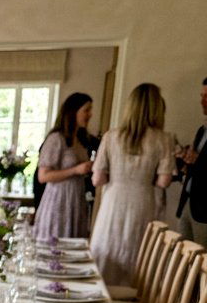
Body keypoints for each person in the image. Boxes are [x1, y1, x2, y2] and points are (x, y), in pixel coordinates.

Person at [89, 83, 175, 286]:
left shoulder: (111, 137)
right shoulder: (163, 139)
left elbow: (97, 179)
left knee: (107, 248)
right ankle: (133, 297)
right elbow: (164, 180)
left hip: (113, 201)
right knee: (138, 253)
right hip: (143, 200)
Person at [33, 92, 94, 241]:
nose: (90, 114)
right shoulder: (56, 139)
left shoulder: (80, 139)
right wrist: (76, 170)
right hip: (59, 200)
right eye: (86, 110)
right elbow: (43, 176)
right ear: (74, 111)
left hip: (76, 199)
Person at [175, 76, 207, 248]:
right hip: (188, 202)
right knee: (182, 261)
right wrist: (187, 161)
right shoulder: (202, 130)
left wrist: (198, 160)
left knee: (202, 264)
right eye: (201, 96)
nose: (202, 101)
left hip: (204, 211)